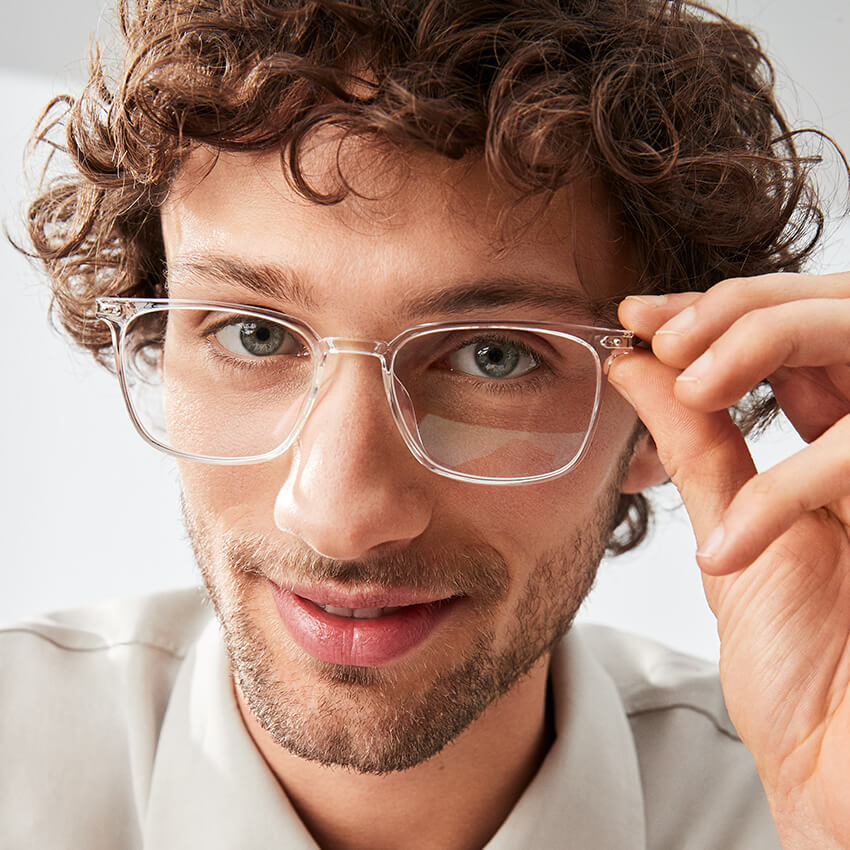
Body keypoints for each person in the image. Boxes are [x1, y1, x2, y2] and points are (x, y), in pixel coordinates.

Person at [3, 0, 849, 847]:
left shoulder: (791, 791)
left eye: (493, 356)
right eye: (251, 334)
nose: (341, 515)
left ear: (670, 409)